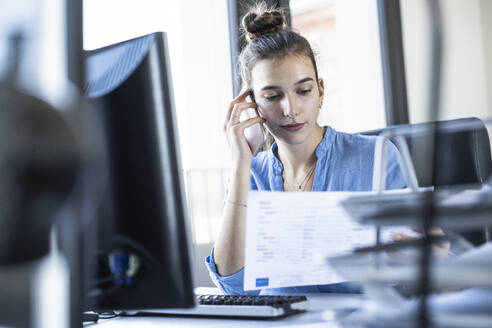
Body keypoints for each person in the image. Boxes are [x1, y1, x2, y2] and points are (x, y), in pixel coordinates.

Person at [205, 4, 408, 295]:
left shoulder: (376, 157)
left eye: (303, 91)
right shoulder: (251, 175)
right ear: (251, 103)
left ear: (321, 91)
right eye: (273, 96)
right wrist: (240, 163)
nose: (291, 110)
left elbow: (427, 266)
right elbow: (235, 287)